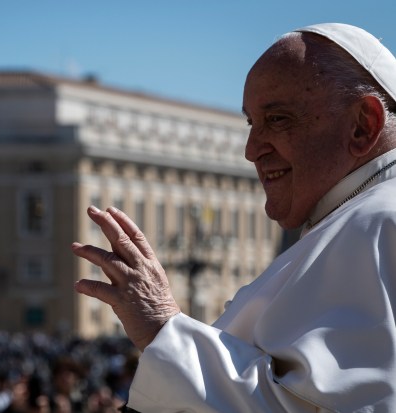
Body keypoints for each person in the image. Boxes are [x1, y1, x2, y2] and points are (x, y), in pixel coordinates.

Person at [72, 22, 396, 412]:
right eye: (250, 123)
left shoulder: (379, 224)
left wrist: (163, 327)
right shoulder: (352, 219)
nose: (251, 149)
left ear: (363, 125)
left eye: (277, 120)